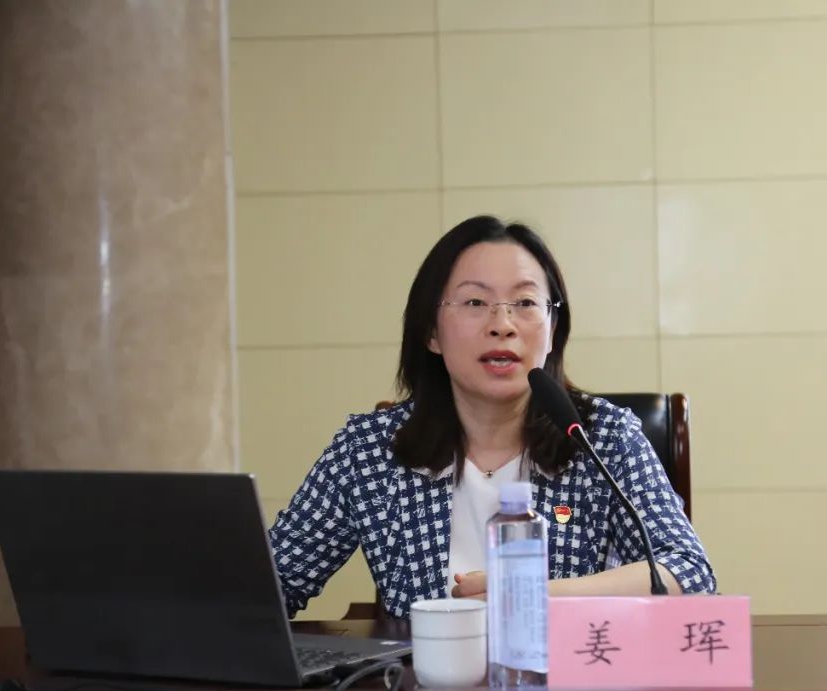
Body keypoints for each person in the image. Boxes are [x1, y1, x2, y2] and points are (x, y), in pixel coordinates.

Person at [269, 215, 716, 619]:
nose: (503, 324)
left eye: (525, 303)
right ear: (431, 332)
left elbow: (690, 574)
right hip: (421, 681)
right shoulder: (370, 451)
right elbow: (272, 585)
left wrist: (534, 595)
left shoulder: (603, 437)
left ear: (552, 330)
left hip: (568, 680)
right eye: (475, 303)